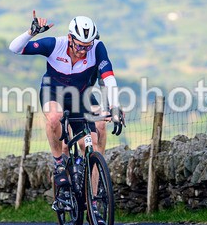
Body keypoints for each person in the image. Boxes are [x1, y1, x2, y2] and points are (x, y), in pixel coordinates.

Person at [8, 11, 124, 205]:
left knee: (95, 138)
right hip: (53, 93)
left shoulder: (97, 48)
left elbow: (108, 77)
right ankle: (59, 163)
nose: (83, 50)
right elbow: (15, 48)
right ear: (70, 38)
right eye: (79, 45)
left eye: (87, 46)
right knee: (54, 118)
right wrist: (31, 32)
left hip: (82, 97)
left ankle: (93, 198)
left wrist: (115, 106)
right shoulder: (55, 45)